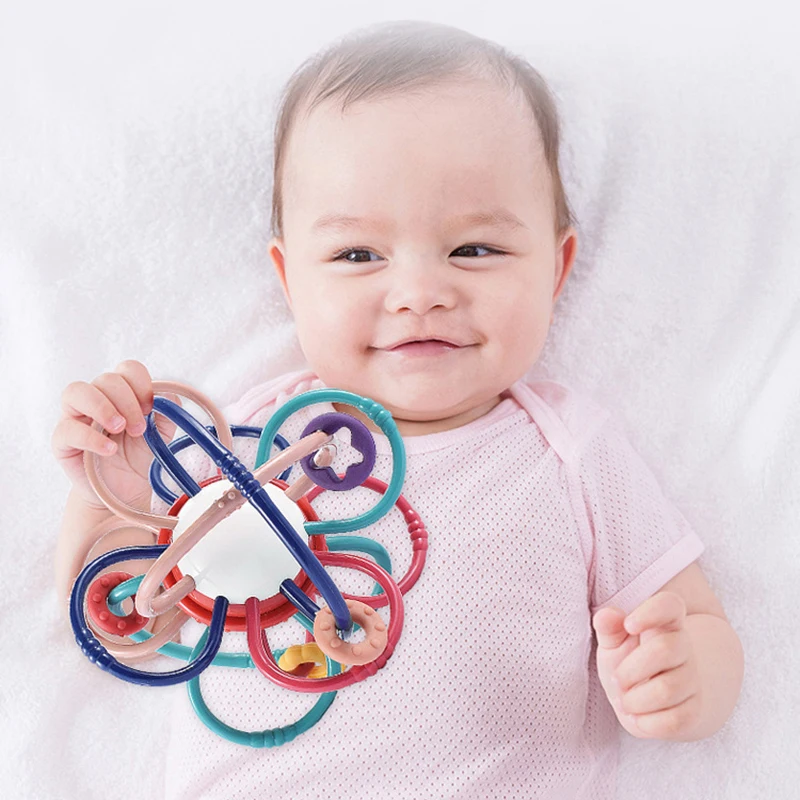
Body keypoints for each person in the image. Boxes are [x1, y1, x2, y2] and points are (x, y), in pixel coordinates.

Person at [51, 20, 744, 800]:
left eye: (475, 249)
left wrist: (681, 675)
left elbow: (698, 622)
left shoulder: (570, 451)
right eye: (357, 255)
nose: (419, 293)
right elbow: (128, 628)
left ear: (556, 270)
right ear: (290, 280)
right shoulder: (239, 445)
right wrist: (111, 497)